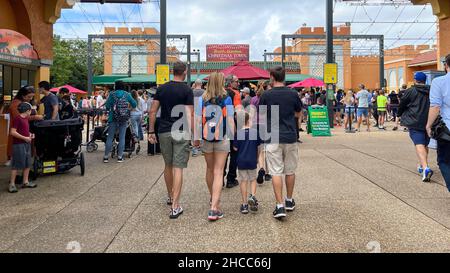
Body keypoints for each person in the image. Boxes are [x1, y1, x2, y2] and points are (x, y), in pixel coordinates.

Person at [148, 61, 196, 219]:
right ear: (185, 72)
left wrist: (150, 131)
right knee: (178, 168)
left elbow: (153, 111)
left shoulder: (161, 88)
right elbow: (189, 114)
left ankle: (170, 196)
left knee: (167, 165)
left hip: (164, 131)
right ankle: (176, 205)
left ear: (172, 71)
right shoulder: (187, 90)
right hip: (181, 131)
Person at [259, 66, 302, 220]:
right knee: (290, 170)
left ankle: (279, 205)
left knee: (276, 171)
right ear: (284, 76)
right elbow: (298, 112)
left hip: (273, 136)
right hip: (290, 135)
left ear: (272, 76)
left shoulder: (266, 95)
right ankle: (289, 200)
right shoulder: (293, 93)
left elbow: (262, 116)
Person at [200, 72, 234, 221]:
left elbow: (196, 119)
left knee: (209, 169)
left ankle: (212, 198)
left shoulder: (201, 99)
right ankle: (214, 207)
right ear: (221, 82)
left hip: (206, 138)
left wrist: (195, 138)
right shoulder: (227, 99)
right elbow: (231, 119)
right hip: (222, 138)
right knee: (219, 171)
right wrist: (233, 139)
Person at [398, 72, 433, 182]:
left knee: (419, 144)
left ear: (415, 80)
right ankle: (421, 165)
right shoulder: (431, 90)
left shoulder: (410, 91)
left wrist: (399, 115)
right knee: (425, 144)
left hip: (414, 120)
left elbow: (402, 104)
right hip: (429, 121)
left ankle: (425, 167)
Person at [427, 54, 450, 192]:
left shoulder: (439, 82)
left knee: (444, 161)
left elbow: (435, 106)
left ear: (446, 65)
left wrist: (429, 125)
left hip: (447, 129)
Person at [6, 86, 43, 167]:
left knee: (26, 155)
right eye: (29, 97)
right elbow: (20, 117)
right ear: (22, 95)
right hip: (19, 132)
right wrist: (35, 117)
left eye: (32, 96)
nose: (30, 98)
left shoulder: (26, 102)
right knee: (19, 156)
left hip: (26, 130)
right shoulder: (16, 103)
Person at [103, 81, 137, 163]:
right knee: (122, 137)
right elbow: (134, 104)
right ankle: (119, 157)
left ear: (115, 86)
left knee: (110, 137)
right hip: (123, 118)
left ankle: (106, 157)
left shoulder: (112, 94)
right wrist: (127, 108)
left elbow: (107, 106)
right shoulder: (127, 94)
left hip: (113, 118)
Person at [233, 111, 260, 214]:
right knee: (253, 179)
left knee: (243, 181)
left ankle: (244, 204)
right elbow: (258, 147)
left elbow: (235, 148)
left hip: (241, 160)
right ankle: (252, 197)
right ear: (249, 120)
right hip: (252, 159)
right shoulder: (255, 132)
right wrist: (257, 158)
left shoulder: (238, 133)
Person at [8, 102, 37, 193]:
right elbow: (12, 132)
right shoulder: (18, 119)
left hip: (26, 143)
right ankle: (12, 184)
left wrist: (30, 135)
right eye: (31, 110)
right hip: (19, 145)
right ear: (28, 111)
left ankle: (25, 181)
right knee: (16, 164)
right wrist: (25, 138)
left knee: (27, 163)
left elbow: (24, 131)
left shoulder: (25, 119)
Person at [224, 75, 242, 188]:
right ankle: (231, 179)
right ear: (230, 83)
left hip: (221, 128)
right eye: (237, 81)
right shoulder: (235, 94)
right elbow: (237, 113)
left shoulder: (220, 93)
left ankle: (220, 178)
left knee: (223, 155)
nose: (238, 83)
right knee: (234, 153)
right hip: (233, 127)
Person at [251, 80, 271, 184]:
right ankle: (267, 172)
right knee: (266, 149)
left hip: (255, 124)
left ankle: (261, 168)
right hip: (265, 124)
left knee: (259, 150)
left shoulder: (253, 99)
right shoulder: (268, 99)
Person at [192, 79, 205, 157]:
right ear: (201, 84)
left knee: (194, 132)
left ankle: (195, 150)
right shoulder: (205, 92)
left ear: (195, 84)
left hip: (194, 114)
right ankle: (203, 149)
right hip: (202, 113)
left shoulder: (191, 92)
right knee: (203, 131)